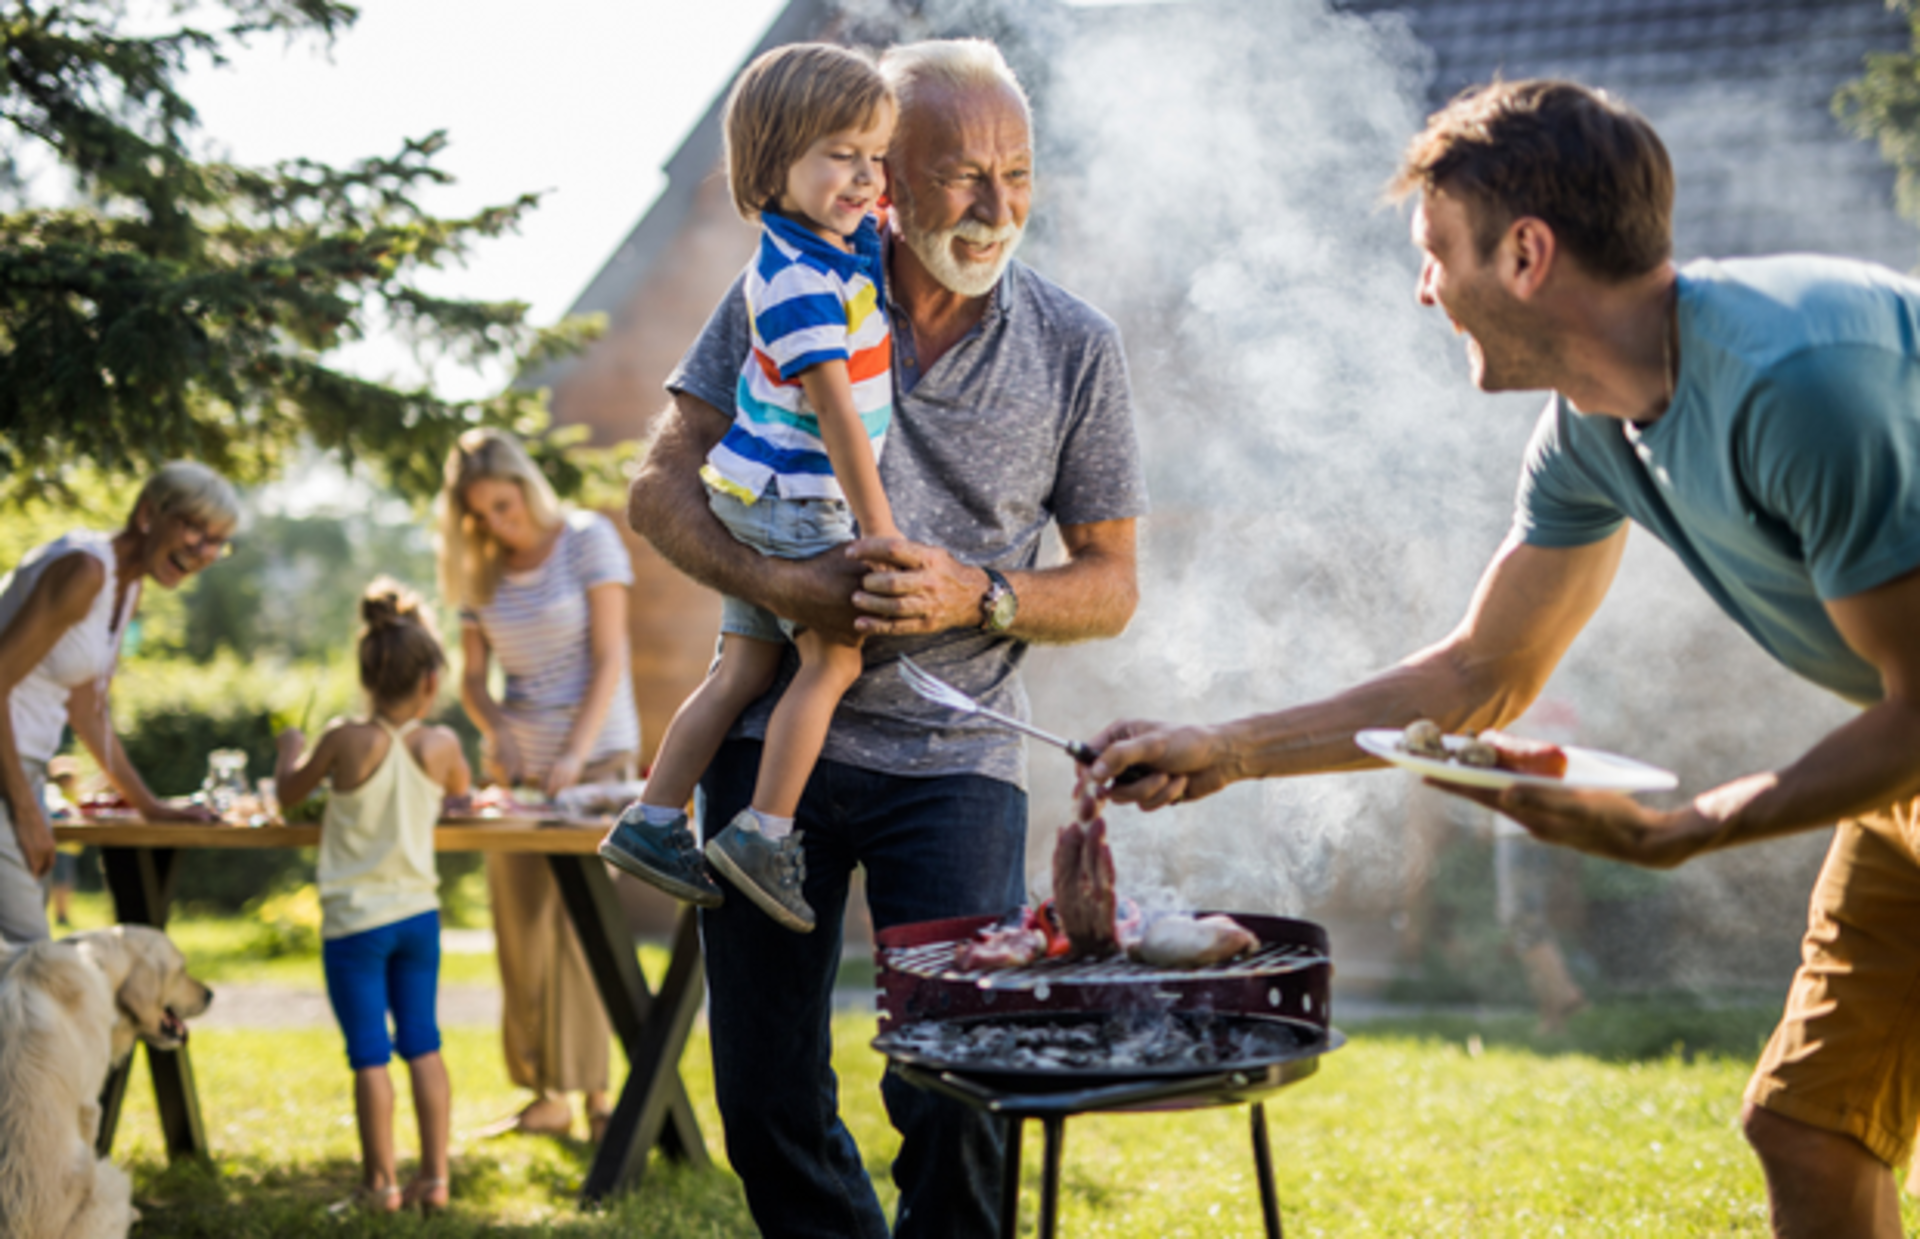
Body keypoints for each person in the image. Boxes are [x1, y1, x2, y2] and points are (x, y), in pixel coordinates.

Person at [1087, 79, 1920, 1238]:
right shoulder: (1590, 428)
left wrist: (1684, 830)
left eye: (1436, 253)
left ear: (1526, 254)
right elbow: (1484, 673)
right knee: (1814, 1130)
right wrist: (1227, 750)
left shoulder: (1798, 382)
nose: (1424, 288)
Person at [626, 37, 1148, 1238]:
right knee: (765, 1099)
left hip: (956, 765)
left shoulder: (1076, 345)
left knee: (958, 1090)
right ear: (882, 175)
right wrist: (782, 584)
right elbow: (658, 487)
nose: (996, 207)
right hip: (769, 742)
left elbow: (1113, 583)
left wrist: (978, 595)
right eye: (962, 176)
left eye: (1018, 175)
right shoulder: (784, 283)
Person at [602, 43, 899, 933]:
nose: (866, 177)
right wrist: (879, 528)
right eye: (842, 155)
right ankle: (764, 833)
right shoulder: (800, 281)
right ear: (773, 167)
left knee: (742, 667)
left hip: (755, 492)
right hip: (798, 498)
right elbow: (838, 415)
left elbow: (871, 232)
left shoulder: (819, 247)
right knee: (833, 659)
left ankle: (654, 817)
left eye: (876, 156)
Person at [435, 427, 635, 1140]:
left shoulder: (587, 539)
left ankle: (599, 1097)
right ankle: (545, 1096)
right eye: (480, 514)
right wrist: (497, 727)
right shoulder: (477, 566)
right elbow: (470, 679)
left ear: (525, 486)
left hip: (595, 764)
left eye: (503, 505)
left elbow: (610, 657)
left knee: (580, 932)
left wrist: (575, 753)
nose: (496, 523)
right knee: (519, 930)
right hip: (517, 777)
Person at [274, 578, 471, 1214]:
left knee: (369, 1055)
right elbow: (462, 793)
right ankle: (435, 1180)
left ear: (366, 675)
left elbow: (288, 797)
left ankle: (380, 1185)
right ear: (431, 683)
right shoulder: (441, 745)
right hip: (418, 917)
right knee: (423, 1042)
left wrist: (289, 751)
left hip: (356, 924)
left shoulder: (344, 738)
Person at [0, 462, 231, 945]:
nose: (203, 551)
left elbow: (87, 710)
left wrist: (151, 807)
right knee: (28, 957)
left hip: (22, 770)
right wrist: (23, 808)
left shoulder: (126, 587)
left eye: (216, 541)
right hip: (9, 772)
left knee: (23, 961)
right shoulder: (83, 569)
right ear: (148, 513)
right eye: (193, 528)